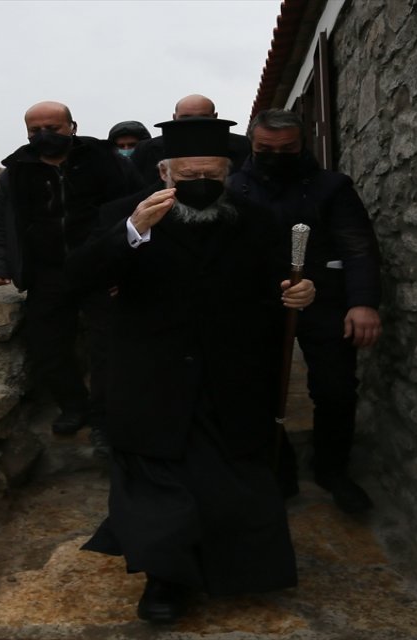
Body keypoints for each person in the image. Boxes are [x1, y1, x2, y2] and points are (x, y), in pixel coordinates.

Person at [71, 117, 316, 624]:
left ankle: (233, 568)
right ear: (164, 174)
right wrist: (135, 230)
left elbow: (279, 285)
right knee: (160, 487)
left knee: (229, 481)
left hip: (233, 373)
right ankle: (166, 579)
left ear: (229, 174)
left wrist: (300, 292)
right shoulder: (126, 216)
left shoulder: (256, 218)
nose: (200, 183)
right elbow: (84, 275)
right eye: (188, 175)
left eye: (213, 174)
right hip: (151, 376)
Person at [229, 108, 383, 514]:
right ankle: (277, 469)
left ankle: (333, 469)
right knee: (260, 388)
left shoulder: (331, 187)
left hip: (325, 301)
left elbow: (358, 246)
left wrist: (362, 302)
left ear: (302, 146)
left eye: (287, 149)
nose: (276, 155)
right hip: (258, 305)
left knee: (335, 388)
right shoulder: (232, 189)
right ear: (252, 144)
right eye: (266, 149)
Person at [0, 101, 137, 454]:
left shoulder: (105, 160)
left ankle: (105, 417)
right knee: (48, 347)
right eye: (35, 130)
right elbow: (0, 221)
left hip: (102, 269)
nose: (44, 136)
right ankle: (74, 407)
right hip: (47, 273)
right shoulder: (15, 172)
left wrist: (128, 265)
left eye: (52, 128)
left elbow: (136, 208)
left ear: (72, 126)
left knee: (108, 348)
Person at [128, 94, 251, 184]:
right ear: (174, 117)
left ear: (215, 117)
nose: (193, 123)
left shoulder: (241, 146)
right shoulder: (147, 149)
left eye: (203, 117)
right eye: (185, 117)